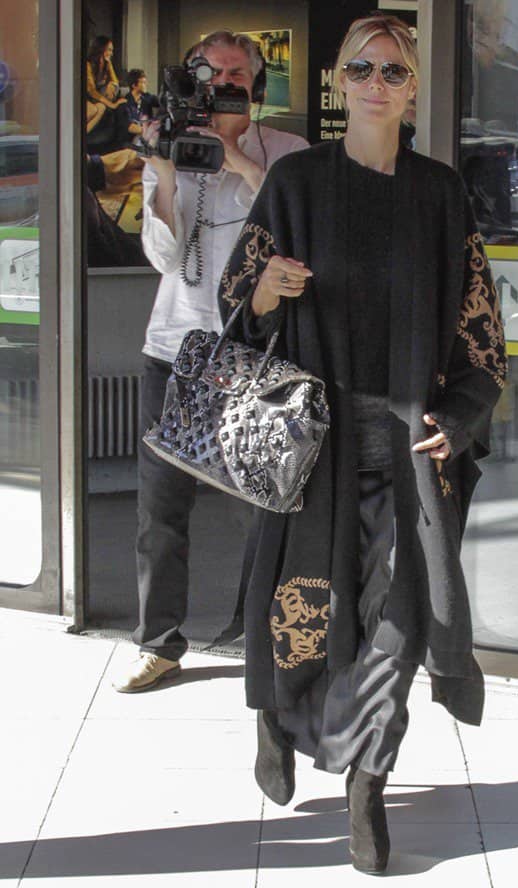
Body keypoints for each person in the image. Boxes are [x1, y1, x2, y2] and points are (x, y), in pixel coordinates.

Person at [217, 13, 506, 874]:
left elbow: (480, 329)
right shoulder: (297, 183)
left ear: (414, 87)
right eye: (361, 68)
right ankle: (276, 719)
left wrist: (459, 414)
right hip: (308, 452)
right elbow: (236, 301)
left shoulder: (440, 194)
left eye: (393, 69)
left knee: (395, 629)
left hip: (403, 452)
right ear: (338, 83)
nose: (376, 82)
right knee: (300, 615)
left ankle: (366, 791)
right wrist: (264, 291)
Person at [111, 31, 308, 694]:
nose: (223, 84)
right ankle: (159, 643)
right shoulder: (169, 149)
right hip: (173, 350)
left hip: (252, 356)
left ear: (256, 85)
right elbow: (166, 259)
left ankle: (256, 632)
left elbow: (300, 227)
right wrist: (167, 171)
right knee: (160, 508)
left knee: (262, 505)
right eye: (210, 73)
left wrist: (236, 159)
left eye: (235, 74)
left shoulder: (287, 153)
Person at [86, 36, 129, 150]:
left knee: (102, 107)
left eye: (112, 50)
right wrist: (112, 105)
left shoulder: (106, 64)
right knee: (96, 109)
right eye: (109, 50)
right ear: (100, 49)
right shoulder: (88, 65)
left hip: (99, 99)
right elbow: (91, 91)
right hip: (87, 97)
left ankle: (84, 135)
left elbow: (115, 81)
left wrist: (112, 85)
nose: (111, 53)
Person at [124, 69, 159, 137]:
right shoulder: (125, 103)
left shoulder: (147, 97)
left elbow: (160, 102)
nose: (146, 85)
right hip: (130, 139)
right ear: (134, 85)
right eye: (143, 82)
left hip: (146, 138)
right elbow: (130, 127)